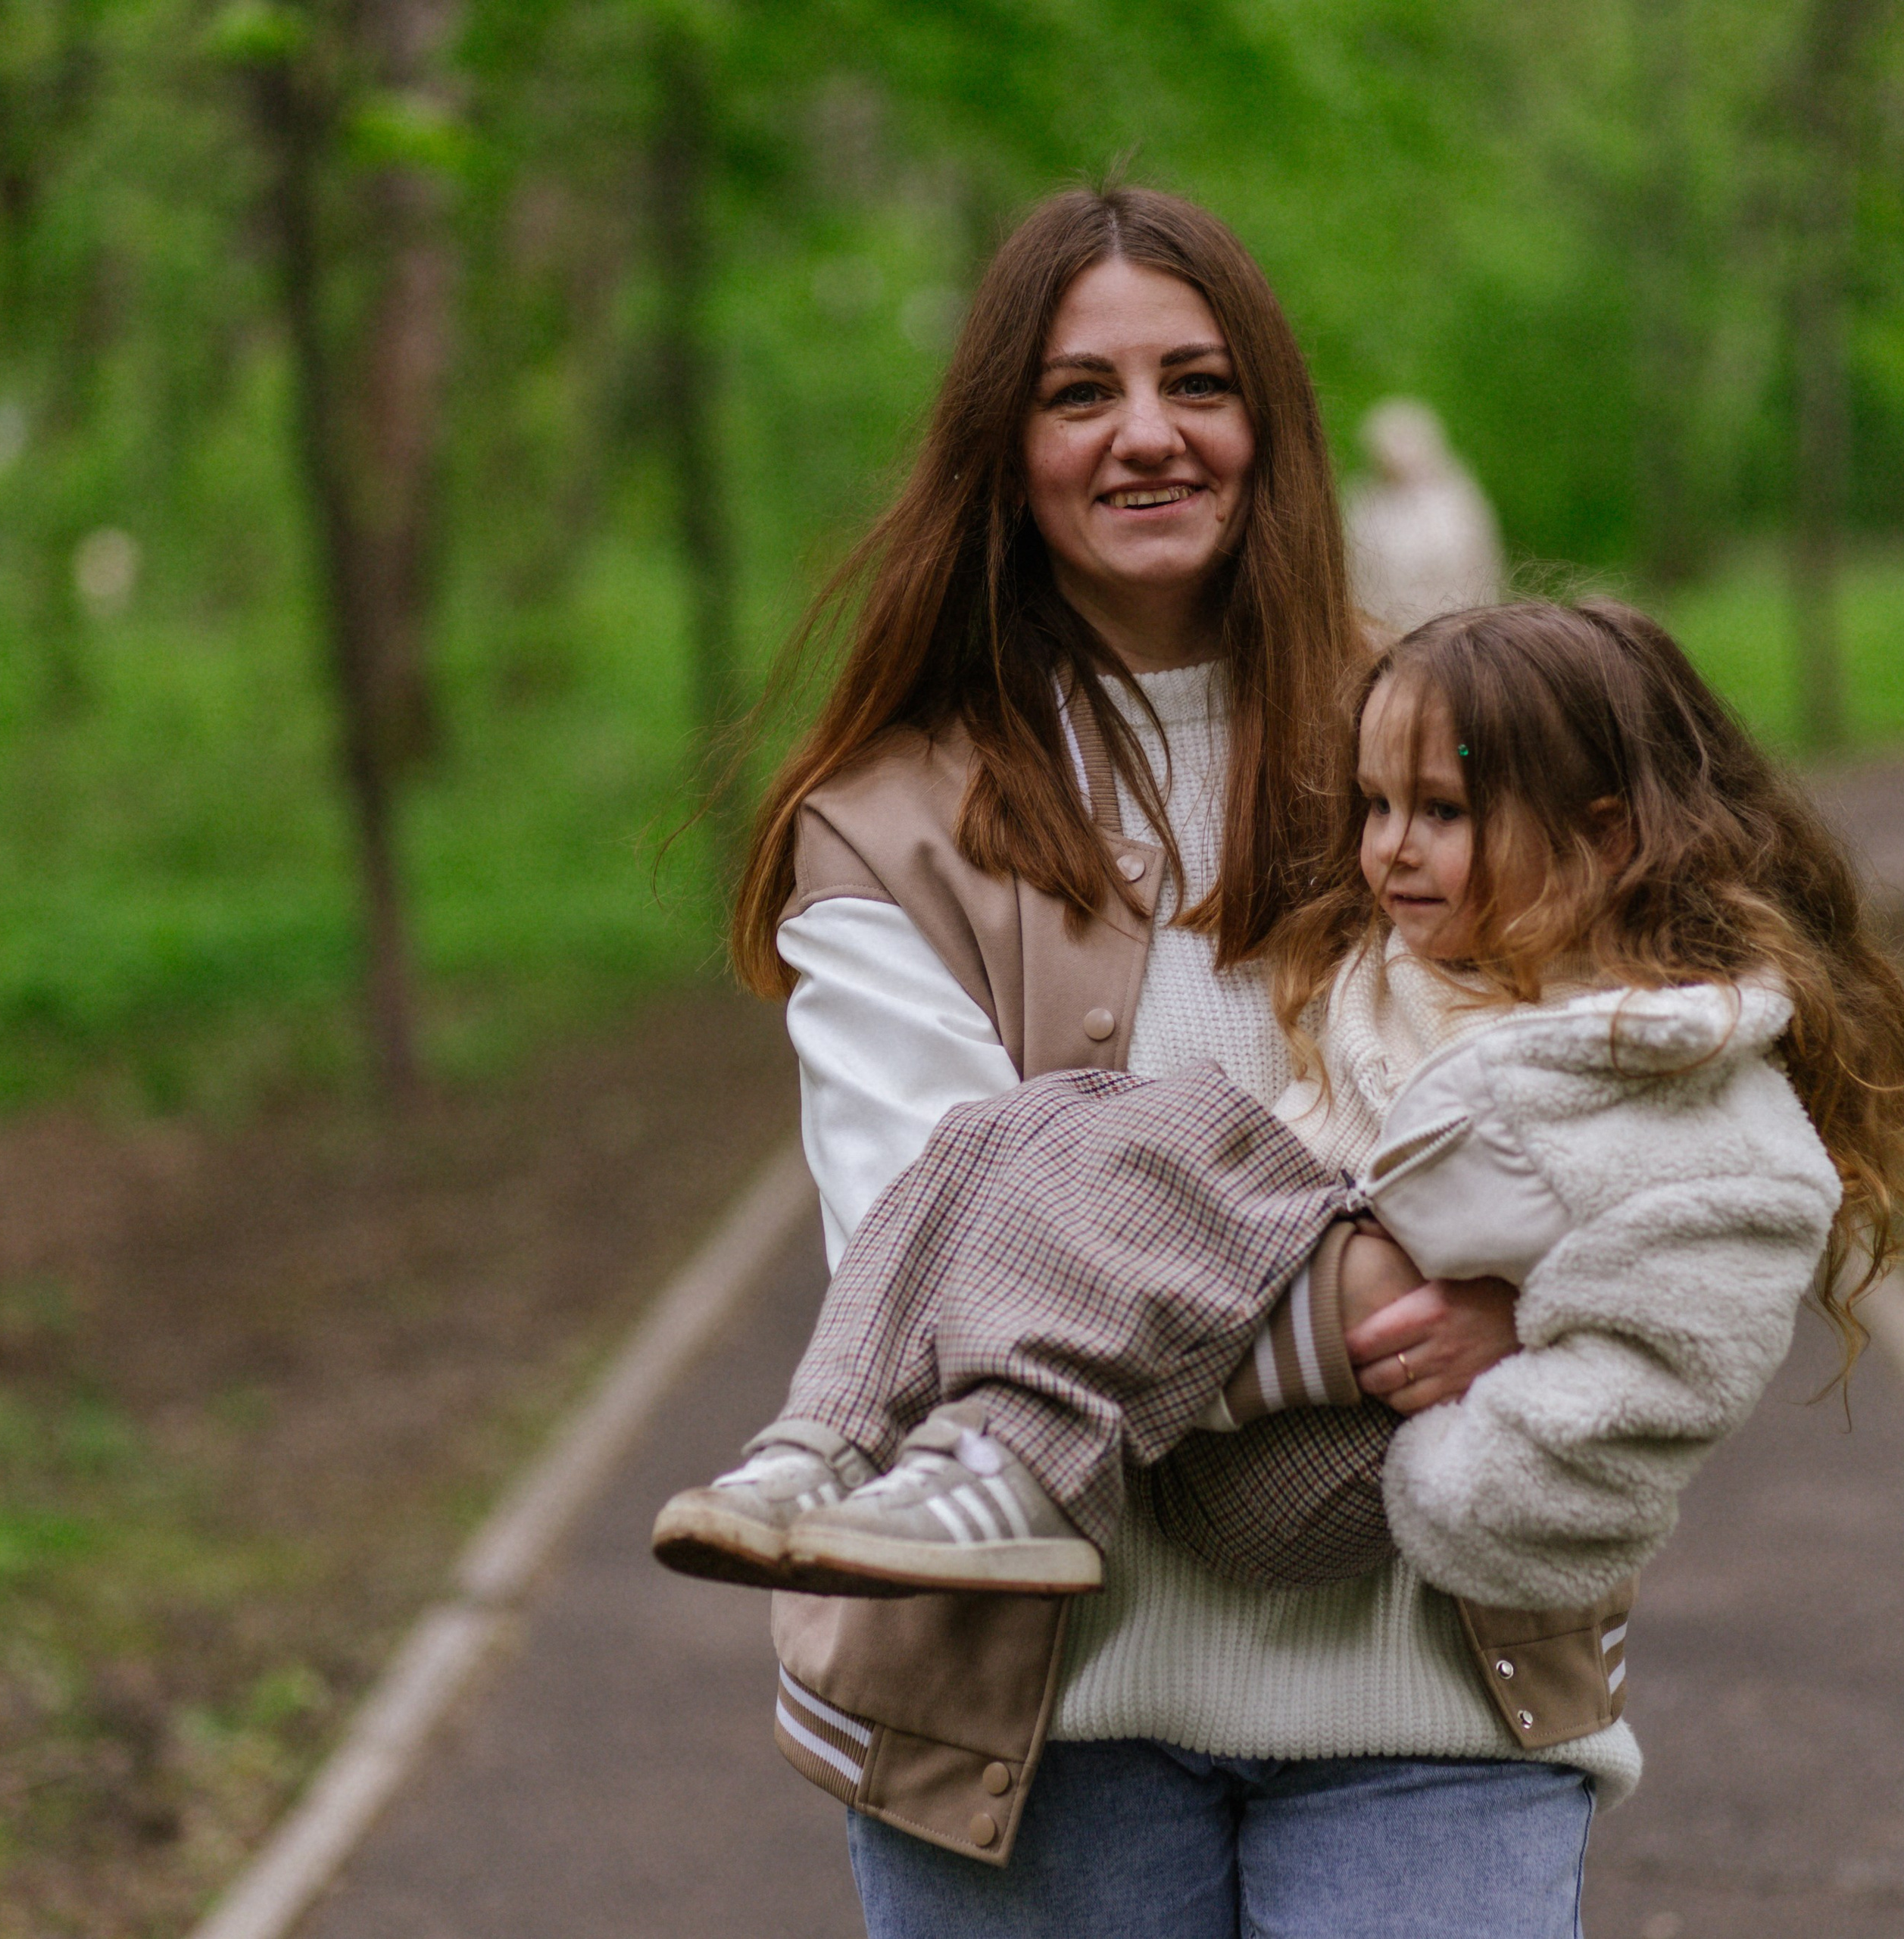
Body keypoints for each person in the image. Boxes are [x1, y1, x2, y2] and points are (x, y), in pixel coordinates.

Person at [697, 185, 1608, 1937]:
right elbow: (944, 1266)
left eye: (1194, 380)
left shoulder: (1452, 744)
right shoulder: (886, 827)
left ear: (1264, 421)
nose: (1144, 435)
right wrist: (1409, 1307)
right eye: (1075, 393)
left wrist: (1549, 1294)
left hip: (1426, 1670)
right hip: (1033, 1713)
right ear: (1001, 446)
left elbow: (1626, 1094)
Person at [654, 601, 1883, 1621]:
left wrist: (1498, 1387)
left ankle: (1009, 1467)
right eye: (1377, 808)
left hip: (1359, 1476)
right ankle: (825, 1444)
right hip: (1217, 1408)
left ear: (1604, 836)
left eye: (1442, 815)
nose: (1391, 851)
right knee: (1023, 1123)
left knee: (1183, 1126)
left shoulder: (1694, 1088)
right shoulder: (1409, 977)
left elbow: (1676, 1368)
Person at [1346, 398, 1503, 633]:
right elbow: (1355, 577)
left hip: (1452, 628)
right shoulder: (1362, 505)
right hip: (1384, 628)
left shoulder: (1456, 501)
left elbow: (1479, 569)